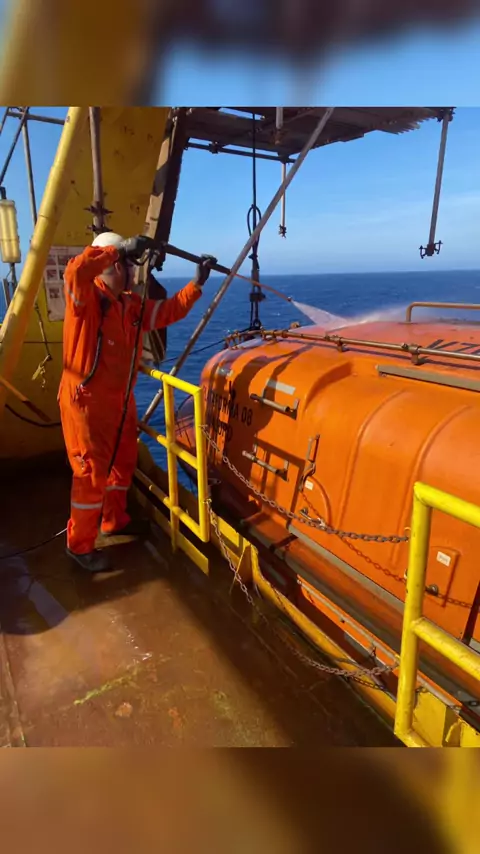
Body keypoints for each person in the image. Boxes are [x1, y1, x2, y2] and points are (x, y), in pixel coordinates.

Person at [58, 231, 216, 573]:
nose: (132, 271)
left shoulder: (129, 305)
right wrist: (118, 249)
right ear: (115, 265)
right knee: (90, 476)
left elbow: (168, 312)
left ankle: (114, 521)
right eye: (128, 264)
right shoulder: (85, 299)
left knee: (122, 464)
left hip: (118, 402)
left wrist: (197, 284)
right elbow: (75, 271)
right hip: (86, 405)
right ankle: (80, 547)